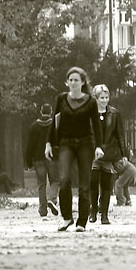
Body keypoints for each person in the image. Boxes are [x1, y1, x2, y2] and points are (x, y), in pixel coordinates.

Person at [46, 67, 104, 232]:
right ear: (67, 82)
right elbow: (54, 122)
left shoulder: (91, 102)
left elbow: (96, 126)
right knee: (64, 180)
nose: (72, 83)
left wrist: (99, 146)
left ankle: (82, 221)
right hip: (66, 143)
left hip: (86, 143)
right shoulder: (61, 99)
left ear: (83, 82)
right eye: (70, 80)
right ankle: (67, 218)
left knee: (84, 183)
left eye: (76, 80)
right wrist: (49, 143)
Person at [89, 84, 128, 225]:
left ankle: (104, 215)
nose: (104, 101)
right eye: (102, 98)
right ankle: (93, 211)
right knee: (93, 183)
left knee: (106, 185)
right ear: (96, 98)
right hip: (94, 154)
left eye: (106, 98)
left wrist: (123, 154)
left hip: (109, 153)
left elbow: (120, 134)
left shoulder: (114, 113)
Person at [26, 103, 60, 219]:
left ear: (41, 111)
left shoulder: (33, 127)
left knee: (41, 184)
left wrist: (28, 161)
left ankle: (43, 209)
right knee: (55, 181)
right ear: (51, 112)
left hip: (38, 158)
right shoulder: (55, 126)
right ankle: (52, 199)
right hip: (53, 157)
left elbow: (29, 146)